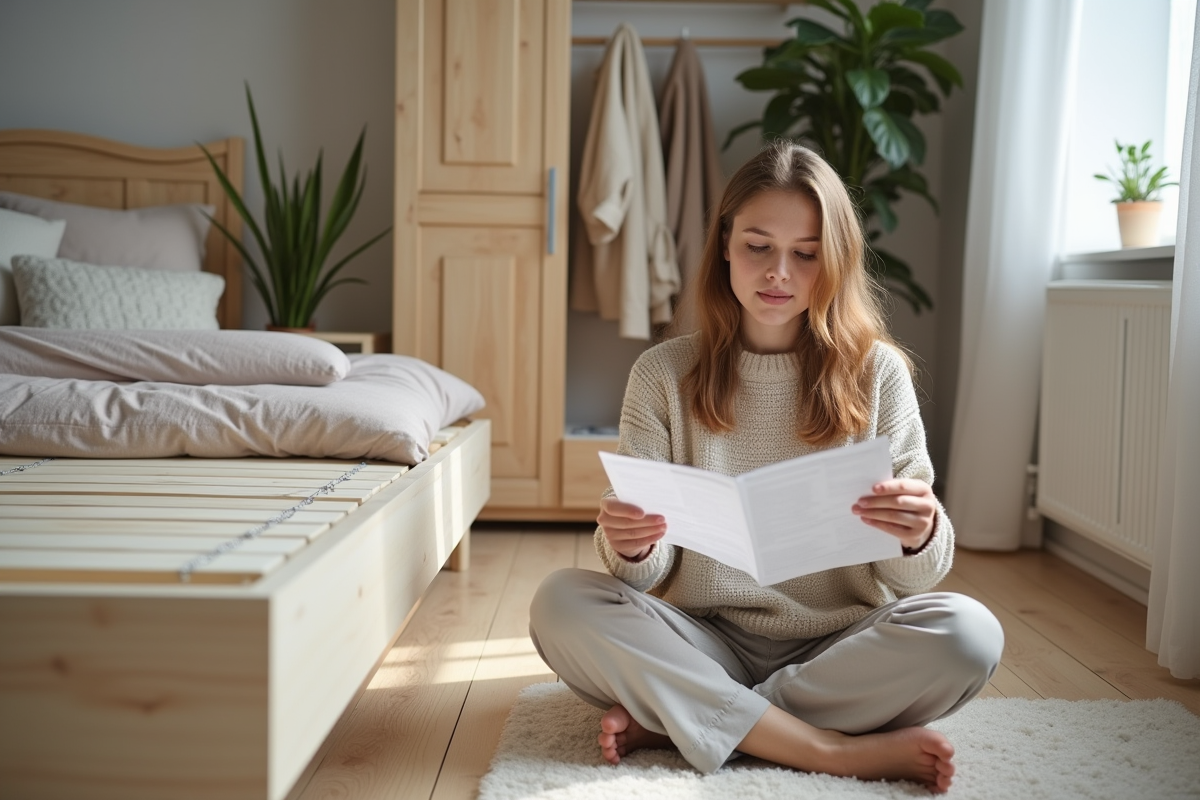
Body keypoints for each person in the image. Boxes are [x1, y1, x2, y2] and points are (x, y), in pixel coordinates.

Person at [528, 141, 1004, 793]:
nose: (779, 272)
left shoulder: (877, 373)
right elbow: (642, 579)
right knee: (560, 601)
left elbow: (918, 577)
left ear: (832, 260)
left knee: (969, 633)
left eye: (806, 253)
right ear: (724, 244)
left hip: (841, 645)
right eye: (758, 246)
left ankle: (686, 721)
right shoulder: (662, 374)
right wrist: (633, 546)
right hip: (705, 639)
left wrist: (917, 532)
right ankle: (827, 749)